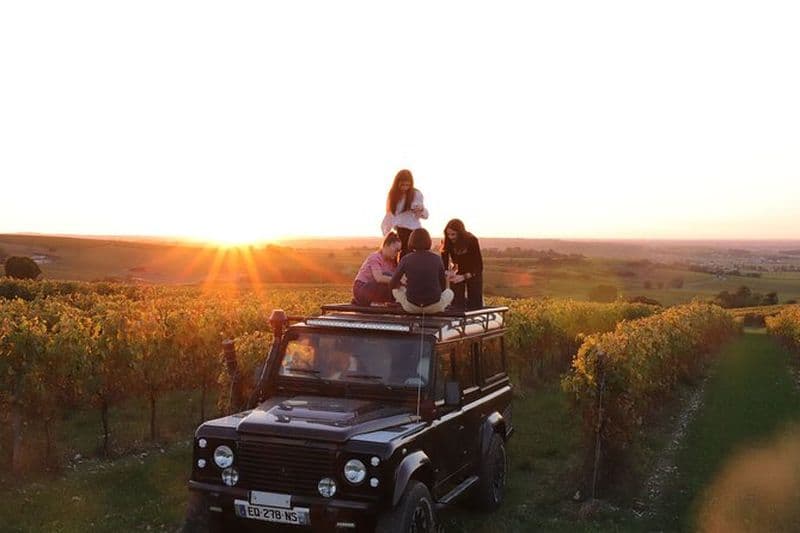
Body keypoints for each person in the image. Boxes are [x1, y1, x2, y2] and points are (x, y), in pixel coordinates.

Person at [390, 228, 454, 314]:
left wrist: (404, 285)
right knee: (449, 292)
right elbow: (443, 287)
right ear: (429, 241)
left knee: (396, 290)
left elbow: (392, 284)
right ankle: (439, 309)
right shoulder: (437, 259)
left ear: (411, 241)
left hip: (411, 307)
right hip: (434, 307)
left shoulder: (406, 259)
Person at [381, 169, 428, 257]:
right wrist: (386, 231)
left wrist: (420, 209)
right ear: (397, 183)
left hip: (415, 230)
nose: (405, 187)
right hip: (401, 230)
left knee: (415, 255)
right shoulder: (393, 195)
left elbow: (425, 215)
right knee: (403, 256)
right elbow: (390, 215)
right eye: (402, 185)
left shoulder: (416, 194)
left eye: (407, 185)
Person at [441, 218, 484, 310]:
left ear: (460, 233)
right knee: (456, 302)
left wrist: (464, 276)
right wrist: (447, 272)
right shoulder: (448, 241)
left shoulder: (472, 240)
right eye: (448, 234)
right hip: (458, 271)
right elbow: (444, 261)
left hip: (473, 272)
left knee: (475, 303)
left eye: (453, 234)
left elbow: (478, 266)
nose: (450, 237)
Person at [352, 232, 402, 306]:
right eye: (396, 249)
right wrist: (398, 280)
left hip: (374, 291)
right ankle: (370, 301)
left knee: (394, 278)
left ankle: (387, 302)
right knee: (388, 275)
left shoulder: (392, 262)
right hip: (361, 288)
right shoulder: (375, 257)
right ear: (386, 245)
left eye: (399, 251)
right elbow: (379, 278)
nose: (397, 253)